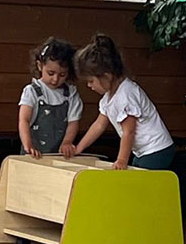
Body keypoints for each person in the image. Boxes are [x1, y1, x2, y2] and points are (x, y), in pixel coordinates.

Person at [71, 34, 175, 170]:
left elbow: (129, 131)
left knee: (141, 181)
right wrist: (79, 148)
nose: (89, 86)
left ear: (106, 75)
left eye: (91, 81)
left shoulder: (126, 95)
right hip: (143, 152)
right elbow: (99, 125)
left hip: (156, 150)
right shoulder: (108, 98)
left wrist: (121, 160)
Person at [18, 37, 83, 159]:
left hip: (59, 155)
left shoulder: (71, 94)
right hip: (33, 155)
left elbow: (73, 123)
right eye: (51, 73)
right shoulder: (32, 91)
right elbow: (24, 120)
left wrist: (67, 142)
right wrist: (28, 144)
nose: (55, 79)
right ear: (39, 66)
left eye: (62, 75)